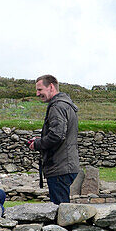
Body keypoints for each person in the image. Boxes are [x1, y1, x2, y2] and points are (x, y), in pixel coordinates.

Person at [29, 74, 79, 205]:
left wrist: (38, 144)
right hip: (66, 165)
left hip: (59, 167)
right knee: (63, 208)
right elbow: (60, 133)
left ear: (51, 87)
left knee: (61, 211)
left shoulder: (57, 106)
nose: (37, 93)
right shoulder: (66, 105)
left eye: (40, 89)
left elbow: (57, 135)